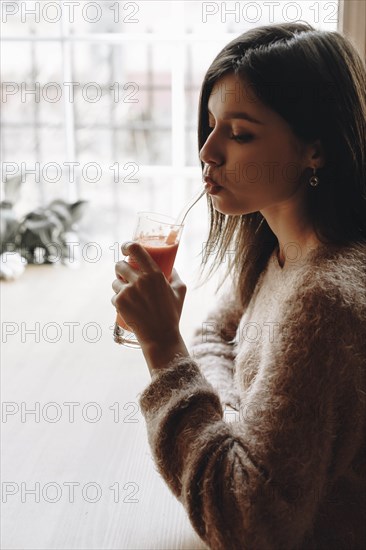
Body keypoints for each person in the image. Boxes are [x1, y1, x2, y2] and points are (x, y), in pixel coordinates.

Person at [111, 22, 366, 549]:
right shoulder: (275, 249)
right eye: (209, 125)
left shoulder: (322, 301)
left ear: (314, 150)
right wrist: (235, 423)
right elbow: (213, 335)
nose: (208, 151)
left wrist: (161, 347)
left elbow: (246, 523)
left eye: (240, 133)